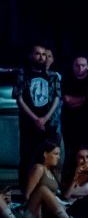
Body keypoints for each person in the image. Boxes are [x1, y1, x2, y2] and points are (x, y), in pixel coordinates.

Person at [14, 45, 62, 189]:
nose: (41, 57)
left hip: (49, 123)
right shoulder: (22, 74)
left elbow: (57, 98)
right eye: (38, 54)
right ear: (31, 56)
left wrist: (45, 118)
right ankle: (26, 190)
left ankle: (49, 189)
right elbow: (19, 98)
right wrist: (35, 118)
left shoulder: (52, 76)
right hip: (29, 123)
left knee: (49, 157)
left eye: (43, 54)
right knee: (28, 157)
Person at [21, 141, 86, 218]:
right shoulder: (39, 168)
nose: (58, 157)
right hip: (33, 211)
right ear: (45, 154)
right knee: (43, 189)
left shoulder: (53, 171)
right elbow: (27, 195)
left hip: (50, 210)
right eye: (55, 154)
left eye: (59, 154)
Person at [61, 56, 88, 175]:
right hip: (69, 123)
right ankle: (69, 181)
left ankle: (86, 181)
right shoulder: (67, 79)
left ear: (87, 67)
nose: (80, 68)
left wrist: (77, 100)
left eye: (83, 65)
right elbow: (67, 100)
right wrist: (84, 99)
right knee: (71, 153)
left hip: (87, 123)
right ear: (73, 66)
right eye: (77, 65)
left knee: (87, 154)